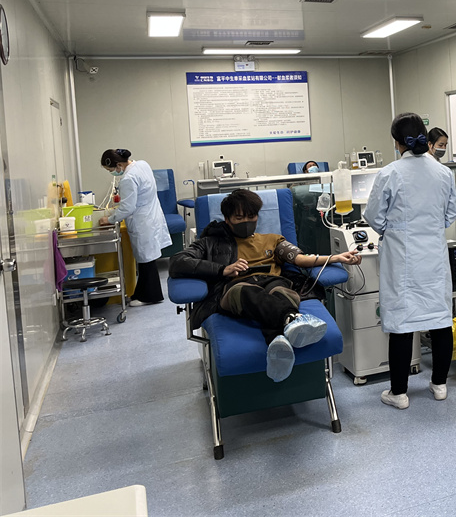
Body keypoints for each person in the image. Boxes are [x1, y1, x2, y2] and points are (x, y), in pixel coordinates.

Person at [169, 189, 361, 382]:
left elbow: (300, 259)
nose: (246, 222)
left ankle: (277, 341)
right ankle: (292, 319)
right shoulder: (210, 243)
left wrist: (336, 257)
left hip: (273, 282)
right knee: (246, 291)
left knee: (282, 291)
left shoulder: (273, 239)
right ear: (227, 219)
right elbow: (178, 262)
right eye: (239, 218)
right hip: (236, 288)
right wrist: (222, 269)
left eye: (251, 216)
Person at [365, 113, 456, 409]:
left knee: (402, 323)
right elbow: (450, 214)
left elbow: (373, 217)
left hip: (401, 255)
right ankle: (440, 384)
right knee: (440, 318)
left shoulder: (390, 173)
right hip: (433, 254)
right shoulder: (443, 173)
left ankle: (399, 393)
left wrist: (395, 231)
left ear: (397, 142)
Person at [99, 149, 172, 306]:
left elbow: (127, 208)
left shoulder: (128, 179)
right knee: (147, 259)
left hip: (142, 220)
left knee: (146, 259)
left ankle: (150, 296)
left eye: (111, 170)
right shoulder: (142, 164)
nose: (112, 173)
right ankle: (141, 293)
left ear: (119, 165)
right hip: (151, 215)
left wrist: (109, 220)